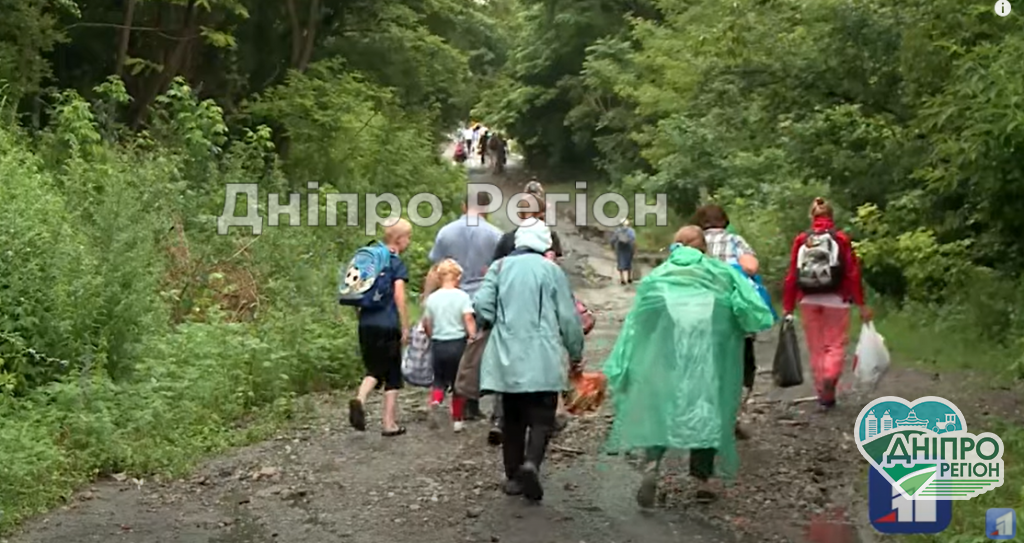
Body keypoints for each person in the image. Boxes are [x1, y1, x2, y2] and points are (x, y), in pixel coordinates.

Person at [603, 225, 775, 507]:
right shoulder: (721, 273)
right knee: (705, 409)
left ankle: (652, 467)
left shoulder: (659, 276)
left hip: (667, 355)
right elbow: (751, 311)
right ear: (703, 248)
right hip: (708, 355)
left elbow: (640, 322)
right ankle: (701, 480)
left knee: (663, 408)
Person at [473, 220, 585, 502]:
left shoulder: (498, 268)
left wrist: (493, 321)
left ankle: (512, 478)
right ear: (544, 244)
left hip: (506, 355)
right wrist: (575, 353)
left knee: (512, 418)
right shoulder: (552, 270)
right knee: (542, 416)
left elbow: (482, 305)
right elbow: (569, 318)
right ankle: (532, 464)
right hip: (543, 355)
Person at [782, 197, 872, 409]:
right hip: (837, 299)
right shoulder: (840, 238)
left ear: (812, 216)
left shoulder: (802, 239)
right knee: (835, 343)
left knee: (816, 347)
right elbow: (851, 272)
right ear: (831, 216)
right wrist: (861, 303)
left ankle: (824, 392)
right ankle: (831, 376)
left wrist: (788, 306)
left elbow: (792, 275)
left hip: (808, 298)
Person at [429, 192, 503, 421]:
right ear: (487, 208)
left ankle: (448, 393)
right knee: (479, 351)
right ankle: (472, 401)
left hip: (450, 296)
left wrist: (427, 297)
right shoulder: (495, 235)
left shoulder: (445, 232)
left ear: (463, 206)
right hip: (483, 298)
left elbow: (435, 268)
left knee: (454, 347)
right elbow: (501, 270)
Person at [691, 204, 761, 439]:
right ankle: (734, 415)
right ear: (725, 221)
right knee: (744, 365)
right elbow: (751, 267)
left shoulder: (693, 244)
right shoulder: (735, 241)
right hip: (736, 316)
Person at [349, 219, 413, 436]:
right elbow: (399, 296)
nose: (409, 242)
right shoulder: (395, 263)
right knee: (393, 373)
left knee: (374, 369)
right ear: (398, 239)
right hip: (387, 324)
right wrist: (404, 325)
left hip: (366, 323)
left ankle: (360, 398)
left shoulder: (368, 259)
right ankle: (389, 424)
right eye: (408, 237)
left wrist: (361, 316)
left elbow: (356, 293)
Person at [422, 258, 477, 432]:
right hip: (457, 344)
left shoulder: (432, 298)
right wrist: (472, 335)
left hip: (439, 343)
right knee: (458, 384)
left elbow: (426, 323)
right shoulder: (462, 296)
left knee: (438, 379)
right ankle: (457, 420)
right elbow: (467, 318)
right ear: (457, 277)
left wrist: (432, 336)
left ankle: (436, 401)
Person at [610, 218, 636, 284]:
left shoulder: (618, 231)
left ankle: (622, 279)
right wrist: (634, 249)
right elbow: (633, 239)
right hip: (628, 248)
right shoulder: (631, 230)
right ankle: (629, 278)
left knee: (620, 263)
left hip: (620, 248)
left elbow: (613, 239)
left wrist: (612, 246)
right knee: (628, 262)